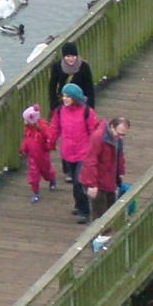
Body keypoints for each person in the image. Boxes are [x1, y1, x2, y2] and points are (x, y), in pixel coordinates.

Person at [46, 83, 100, 224]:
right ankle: (79, 204)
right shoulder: (59, 111)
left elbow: (94, 132)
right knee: (75, 183)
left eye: (68, 96)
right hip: (68, 153)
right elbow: (55, 128)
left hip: (84, 152)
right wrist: (49, 142)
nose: (64, 99)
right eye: (64, 96)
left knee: (79, 181)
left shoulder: (87, 112)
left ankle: (84, 211)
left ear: (75, 98)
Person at [83, 116, 130, 217]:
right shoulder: (98, 137)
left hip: (109, 180)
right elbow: (90, 161)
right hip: (97, 181)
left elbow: (119, 155)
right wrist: (92, 184)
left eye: (123, 135)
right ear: (112, 127)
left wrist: (120, 172)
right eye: (119, 133)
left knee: (110, 212)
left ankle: (108, 232)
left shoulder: (117, 138)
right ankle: (101, 233)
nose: (121, 137)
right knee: (99, 215)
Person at [19, 104, 56, 202]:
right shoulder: (28, 129)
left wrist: (49, 146)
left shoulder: (42, 128)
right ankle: (35, 193)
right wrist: (23, 148)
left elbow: (49, 138)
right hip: (32, 157)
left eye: (26, 120)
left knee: (47, 172)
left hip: (43, 156)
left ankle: (52, 180)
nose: (24, 122)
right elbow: (26, 140)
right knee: (33, 176)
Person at [48, 41, 96, 109]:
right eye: (68, 56)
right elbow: (52, 87)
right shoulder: (57, 66)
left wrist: (90, 108)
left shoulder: (84, 66)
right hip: (64, 103)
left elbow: (90, 89)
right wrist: (54, 105)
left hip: (80, 103)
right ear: (64, 56)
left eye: (73, 56)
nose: (71, 59)